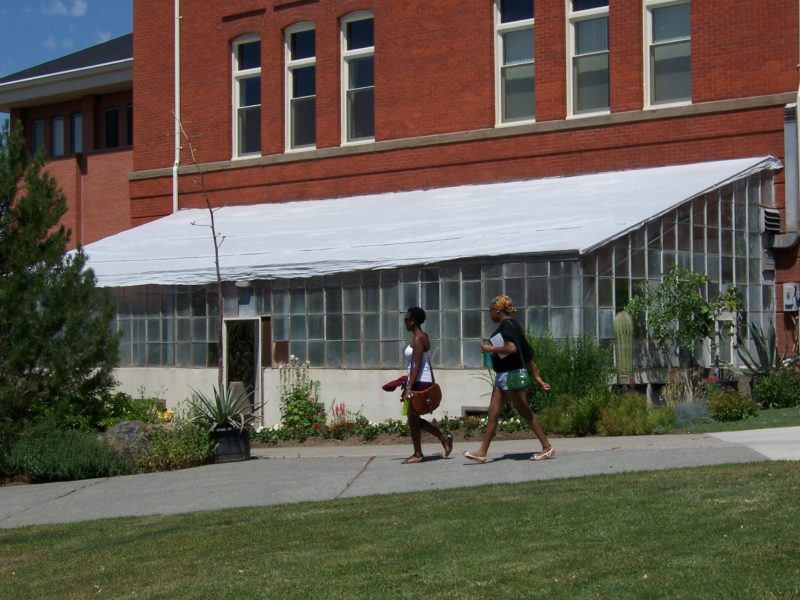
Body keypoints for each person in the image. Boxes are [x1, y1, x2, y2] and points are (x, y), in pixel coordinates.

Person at [463, 294, 555, 463]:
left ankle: (547, 447)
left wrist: (490, 348)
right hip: (503, 376)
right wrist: (537, 378)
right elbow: (528, 355)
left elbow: (511, 348)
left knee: (524, 412)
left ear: (498, 310)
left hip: (510, 375)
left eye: (490, 311)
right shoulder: (513, 325)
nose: (490, 314)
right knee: (493, 413)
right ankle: (482, 452)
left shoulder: (507, 325)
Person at [400, 306, 453, 464]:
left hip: (419, 381)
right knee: (413, 417)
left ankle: (421, 452)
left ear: (413, 321)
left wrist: (409, 387)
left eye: (406, 320)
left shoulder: (418, 338)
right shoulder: (422, 335)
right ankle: (441, 439)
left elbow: (416, 364)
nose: (405, 322)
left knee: (412, 417)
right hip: (420, 379)